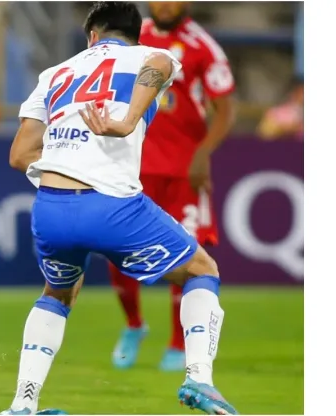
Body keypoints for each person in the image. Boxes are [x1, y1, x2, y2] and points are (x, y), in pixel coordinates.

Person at [6, 2, 237, 415]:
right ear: (136, 32)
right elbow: (160, 66)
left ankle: (23, 404)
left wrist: (63, 163)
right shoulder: (151, 54)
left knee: (57, 294)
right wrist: (129, 118)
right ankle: (199, 380)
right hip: (111, 204)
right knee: (202, 270)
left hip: (51, 208)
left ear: (91, 34)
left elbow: (19, 154)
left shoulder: (54, 73)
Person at [107, 1, 237, 372]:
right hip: (133, 166)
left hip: (182, 172)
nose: (165, 3)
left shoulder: (203, 47)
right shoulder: (134, 38)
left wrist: (203, 153)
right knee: (117, 251)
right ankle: (134, 325)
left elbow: (226, 110)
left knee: (185, 254)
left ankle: (178, 343)